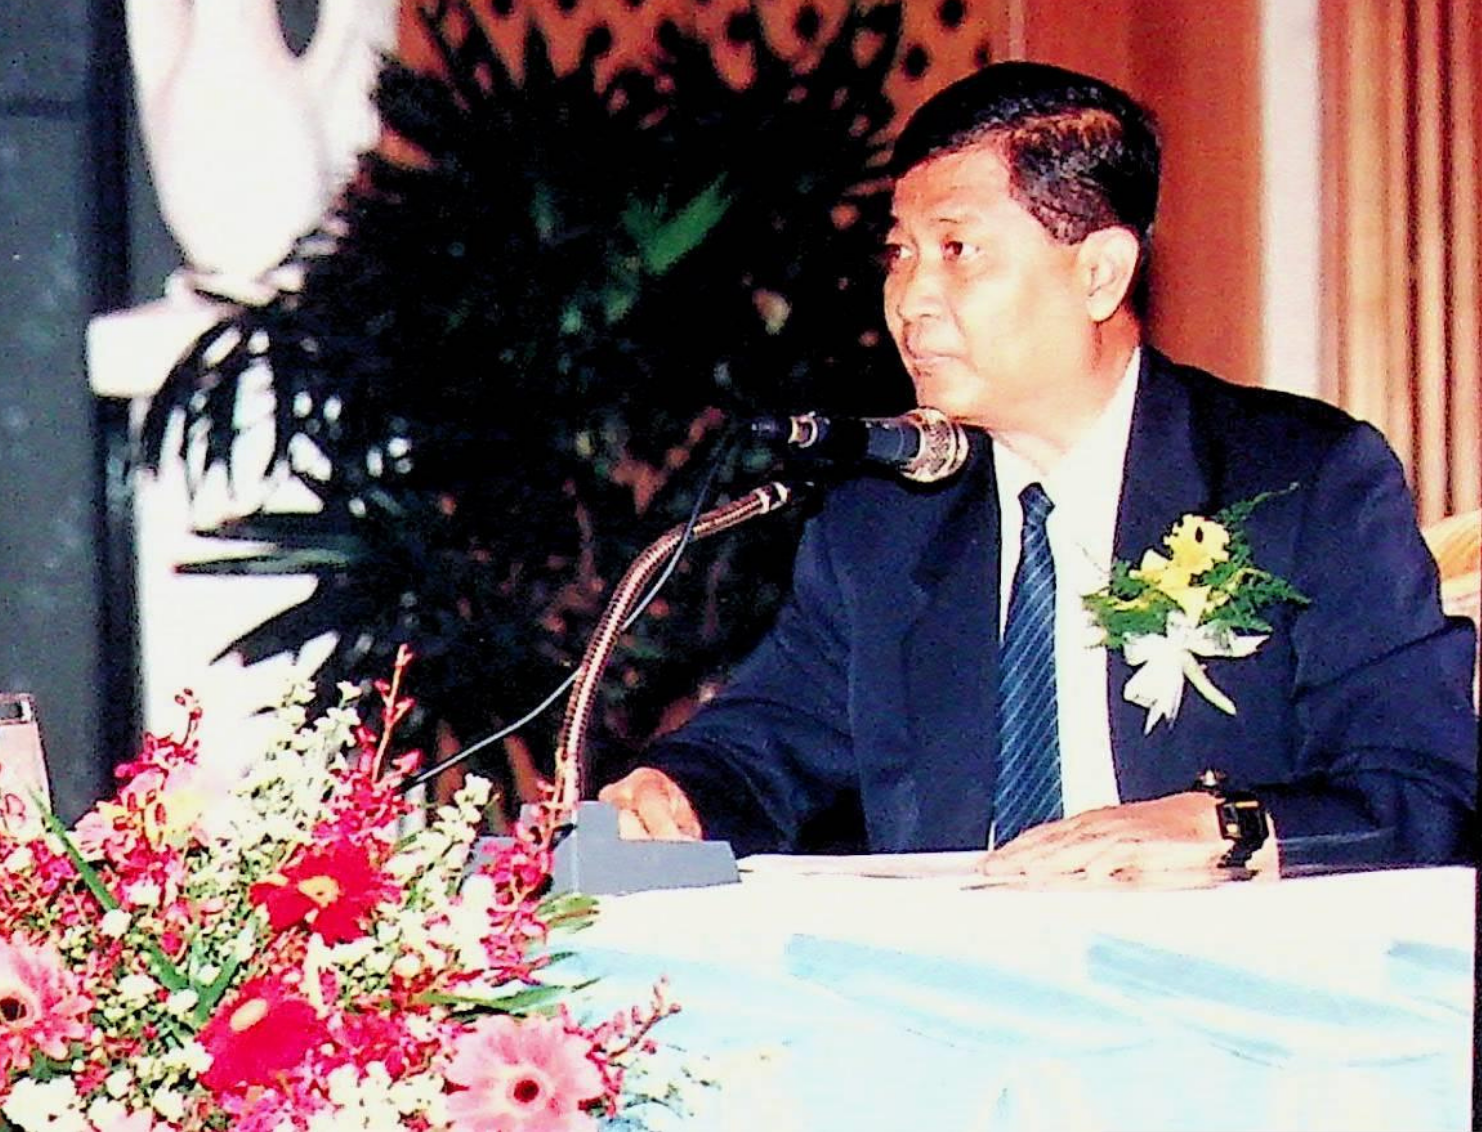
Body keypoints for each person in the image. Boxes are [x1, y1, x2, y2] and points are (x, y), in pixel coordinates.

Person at [597, 60, 1477, 882]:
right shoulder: (885, 516)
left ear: (1099, 274)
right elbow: (765, 744)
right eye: (900, 254)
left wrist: (1226, 827)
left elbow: (1425, 790)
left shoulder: (1300, 479)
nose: (910, 300)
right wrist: (676, 793)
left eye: (957, 251)